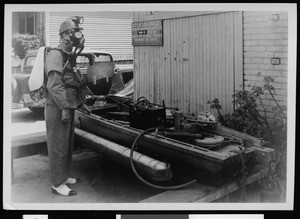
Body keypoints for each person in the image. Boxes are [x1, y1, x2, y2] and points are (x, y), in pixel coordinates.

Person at [44, 16, 90, 196]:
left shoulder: (68, 56)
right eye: (74, 33)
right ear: (64, 35)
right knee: (58, 146)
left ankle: (64, 175)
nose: (77, 37)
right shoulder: (55, 55)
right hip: (57, 106)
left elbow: (73, 81)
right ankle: (57, 183)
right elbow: (54, 85)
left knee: (67, 144)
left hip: (67, 104)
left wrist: (82, 103)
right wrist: (64, 107)